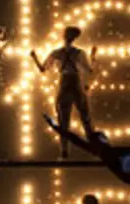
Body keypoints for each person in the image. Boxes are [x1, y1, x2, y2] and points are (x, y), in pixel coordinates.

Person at [30, 27, 97, 159]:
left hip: (64, 84)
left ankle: (64, 150)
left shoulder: (56, 53)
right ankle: (95, 148)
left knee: (63, 120)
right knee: (86, 118)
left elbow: (42, 69)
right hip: (76, 84)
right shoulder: (79, 53)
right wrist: (93, 56)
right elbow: (90, 70)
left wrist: (34, 57)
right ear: (75, 38)